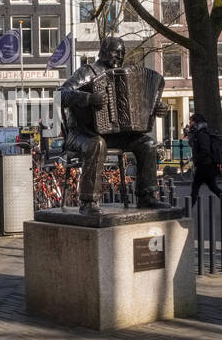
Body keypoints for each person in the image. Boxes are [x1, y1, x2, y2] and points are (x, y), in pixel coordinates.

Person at [59, 35, 170, 213]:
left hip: (116, 135)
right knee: (97, 143)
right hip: (81, 134)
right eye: (116, 52)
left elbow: (140, 103)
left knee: (148, 144)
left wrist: (157, 107)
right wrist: (88, 98)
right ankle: (88, 202)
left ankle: (146, 197)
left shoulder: (125, 74)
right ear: (103, 52)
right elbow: (61, 95)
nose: (120, 57)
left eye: (122, 53)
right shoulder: (87, 72)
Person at [188, 113, 222, 203]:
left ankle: (188, 208)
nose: (190, 124)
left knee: (195, 186)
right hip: (207, 166)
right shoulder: (199, 133)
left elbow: (205, 150)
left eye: (191, 122)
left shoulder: (202, 134)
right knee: (213, 187)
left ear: (197, 123)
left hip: (205, 165)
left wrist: (196, 159)